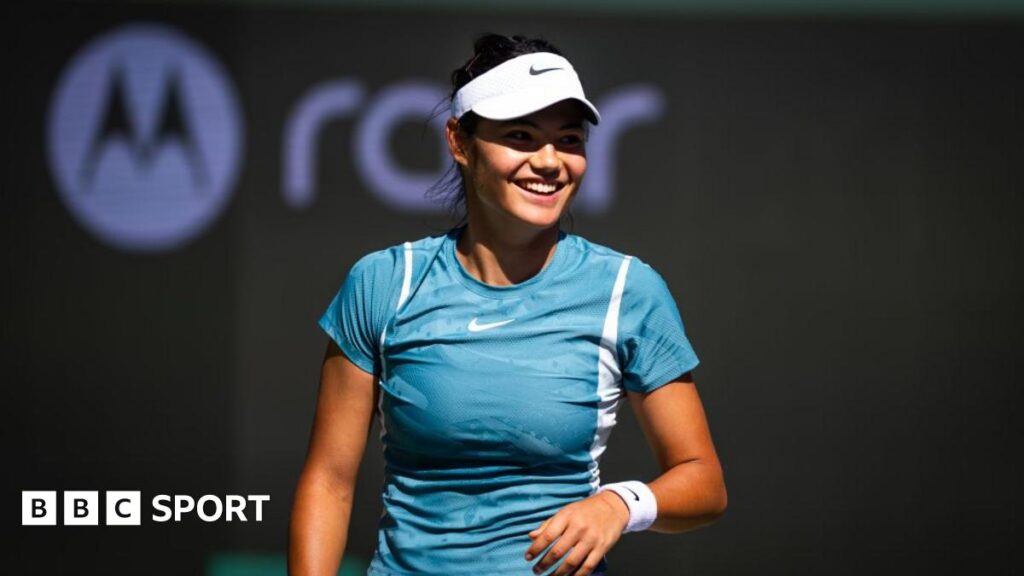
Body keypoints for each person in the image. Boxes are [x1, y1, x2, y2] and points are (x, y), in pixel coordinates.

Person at [290, 34, 727, 576]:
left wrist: (621, 504)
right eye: (520, 137)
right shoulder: (383, 282)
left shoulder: (628, 290)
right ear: (459, 141)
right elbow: (329, 480)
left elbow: (702, 480)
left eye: (568, 140)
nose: (549, 162)